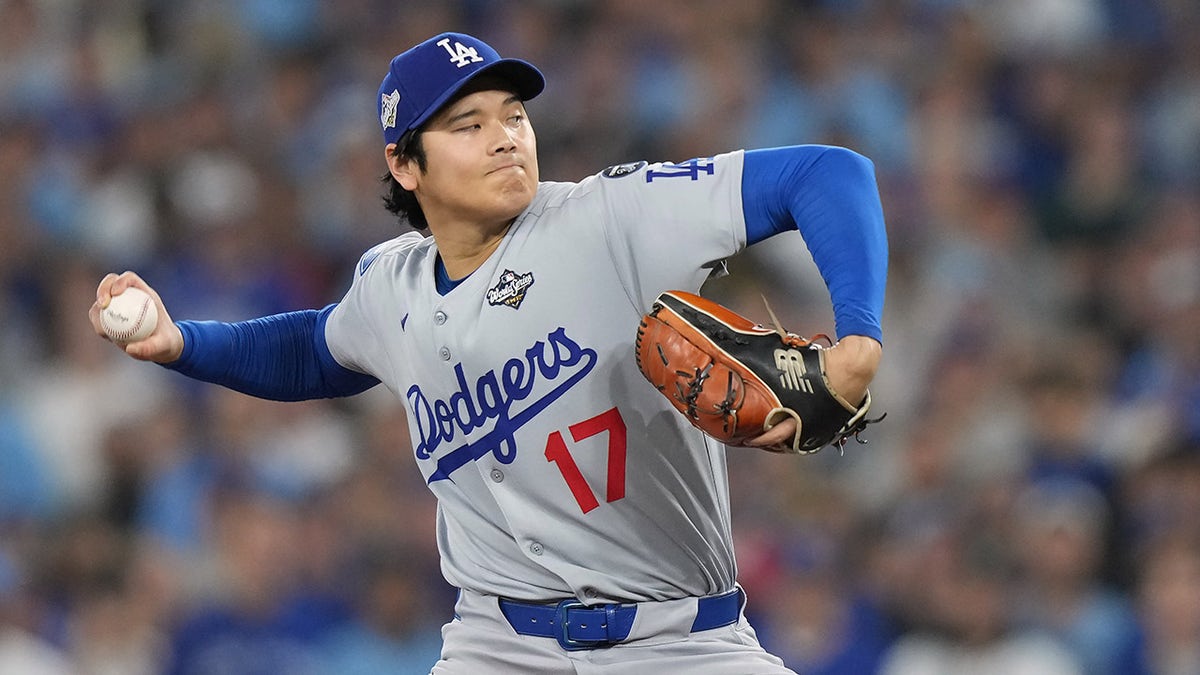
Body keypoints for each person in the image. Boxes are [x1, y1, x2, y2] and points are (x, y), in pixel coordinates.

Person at [89, 31, 887, 673]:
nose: (505, 138)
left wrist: (858, 336)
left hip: (681, 642)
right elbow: (314, 349)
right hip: (496, 644)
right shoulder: (389, 285)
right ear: (405, 164)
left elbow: (827, 173)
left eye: (513, 116)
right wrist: (180, 343)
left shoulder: (608, 216)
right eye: (468, 126)